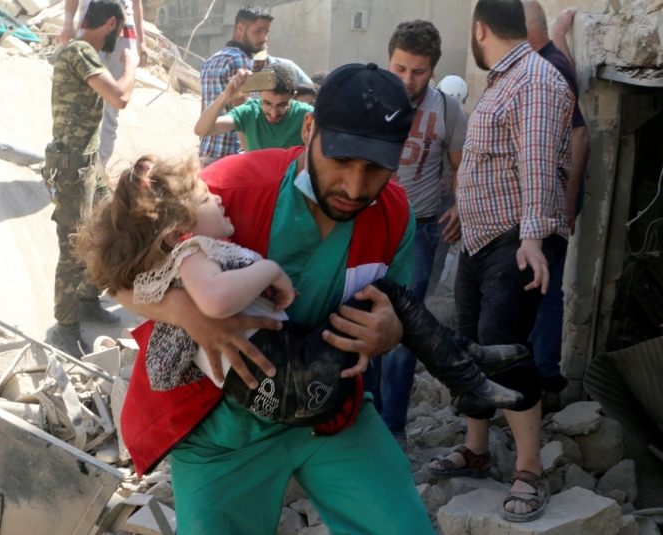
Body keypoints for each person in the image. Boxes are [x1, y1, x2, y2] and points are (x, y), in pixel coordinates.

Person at [110, 62, 433, 535]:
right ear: (308, 128)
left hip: (329, 412)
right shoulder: (222, 192)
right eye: (341, 160)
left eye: (375, 168)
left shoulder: (395, 216)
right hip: (222, 430)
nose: (355, 187)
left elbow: (395, 304)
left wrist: (391, 332)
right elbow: (113, 276)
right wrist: (190, 313)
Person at [76, 155, 526, 420]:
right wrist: (270, 269)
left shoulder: (174, 262)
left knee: (390, 303)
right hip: (291, 378)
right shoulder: (191, 254)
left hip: (281, 382)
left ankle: (465, 360)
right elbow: (213, 300)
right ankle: (465, 367)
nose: (215, 196)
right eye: (203, 199)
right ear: (179, 230)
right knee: (391, 296)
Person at [428, 0, 573, 523]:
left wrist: (531, 238)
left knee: (505, 353)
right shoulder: (506, 78)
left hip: (515, 241)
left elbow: (535, 164)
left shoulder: (531, 79)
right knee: (472, 349)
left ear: (479, 28)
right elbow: (499, 163)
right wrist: (465, 211)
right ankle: (477, 449)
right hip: (485, 239)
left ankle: (530, 471)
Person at [366, 20, 468, 445]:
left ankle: (392, 429)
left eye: (418, 71)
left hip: (419, 233)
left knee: (404, 331)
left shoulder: (447, 109)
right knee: (358, 321)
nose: (407, 80)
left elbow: (462, 167)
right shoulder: (368, 99)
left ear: (433, 69)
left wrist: (461, 204)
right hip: (367, 228)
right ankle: (360, 419)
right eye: (400, 68)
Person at [43, 0, 137, 357]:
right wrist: (131, 66)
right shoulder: (81, 50)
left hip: (87, 164)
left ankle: (85, 298)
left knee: (108, 228)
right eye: (121, 30)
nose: (120, 40)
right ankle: (64, 327)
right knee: (73, 248)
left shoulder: (84, 53)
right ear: (111, 23)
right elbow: (120, 96)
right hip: (70, 168)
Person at [522, 0, 590, 396]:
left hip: (554, 197)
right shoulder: (550, 55)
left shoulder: (546, 66)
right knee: (537, 283)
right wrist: (562, 36)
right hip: (549, 195)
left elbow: (581, 134)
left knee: (544, 288)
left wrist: (568, 199)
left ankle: (544, 377)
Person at [59, 0, 146, 171]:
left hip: (123, 25)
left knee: (111, 109)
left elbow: (137, 3)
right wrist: (67, 23)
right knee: (84, 96)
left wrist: (141, 40)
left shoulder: (121, 27)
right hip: (93, 19)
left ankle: (99, 168)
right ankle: (72, 164)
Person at [199, 6, 273, 166]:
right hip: (230, 159)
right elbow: (242, 119)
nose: (264, 38)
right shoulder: (240, 61)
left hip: (205, 155)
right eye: (258, 31)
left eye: (266, 32)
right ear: (240, 27)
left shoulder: (211, 61)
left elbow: (204, 114)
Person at [195, 63, 312, 152]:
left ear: (293, 96)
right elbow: (202, 130)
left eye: (282, 105)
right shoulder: (249, 113)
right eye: (267, 103)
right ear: (259, 93)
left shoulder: (306, 115)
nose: (273, 113)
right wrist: (226, 96)